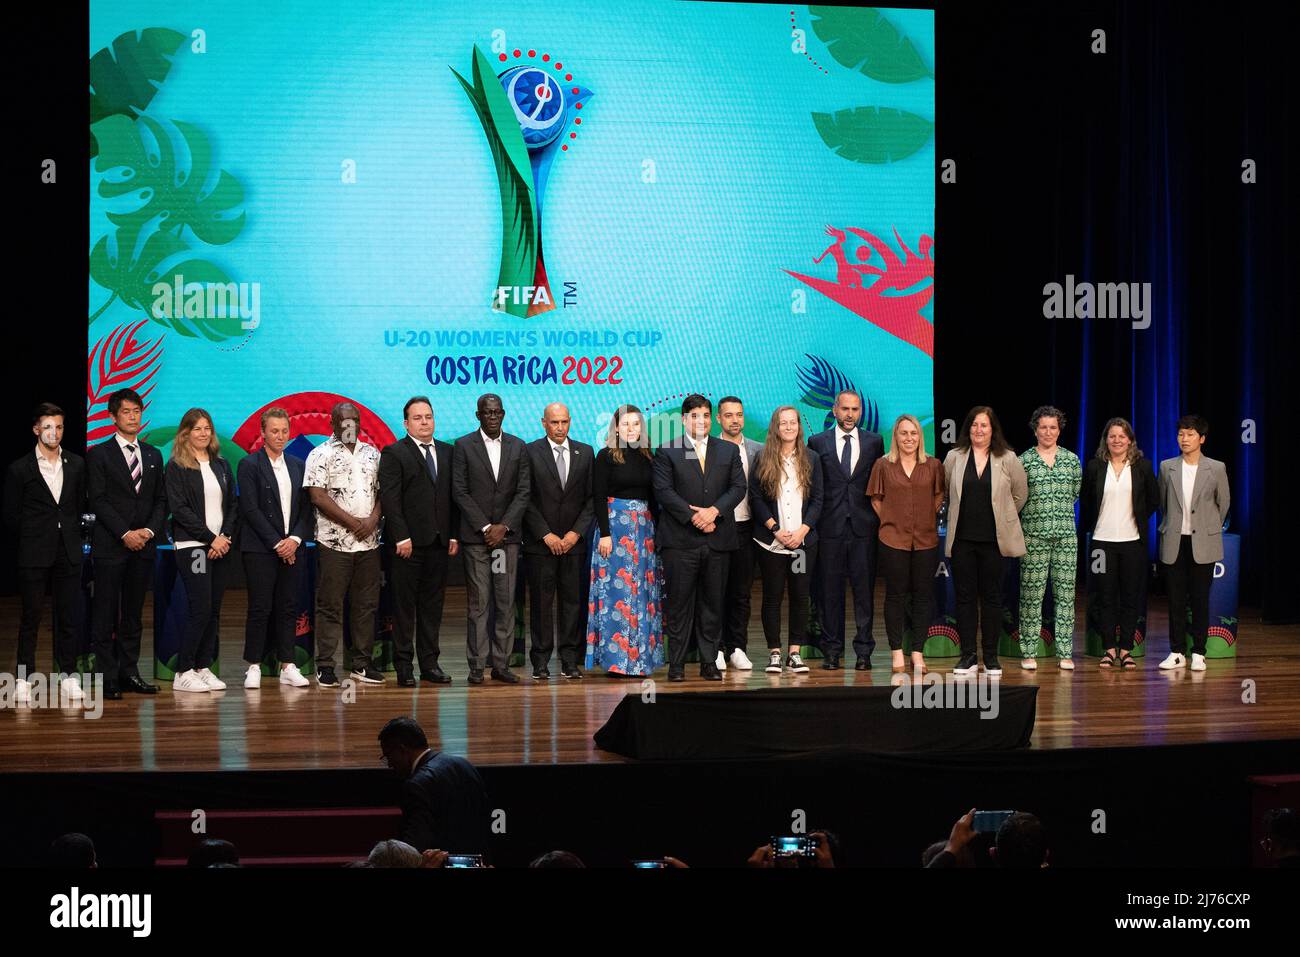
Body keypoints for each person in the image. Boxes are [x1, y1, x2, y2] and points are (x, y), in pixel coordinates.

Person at [652, 394, 747, 682]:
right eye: (695, 416)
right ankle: (677, 664)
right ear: (684, 419)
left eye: (706, 415)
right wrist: (695, 517)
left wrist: (714, 512)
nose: (701, 421)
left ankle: (709, 662)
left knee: (713, 604)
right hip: (680, 541)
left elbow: (738, 487)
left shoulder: (727, 451)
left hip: (718, 540)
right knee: (679, 605)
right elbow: (664, 492)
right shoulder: (667, 452)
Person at [86, 388, 166, 699]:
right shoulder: (99, 454)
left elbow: (160, 500)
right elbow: (99, 500)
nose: (133, 417)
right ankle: (107, 677)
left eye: (137, 411)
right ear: (113, 416)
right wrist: (125, 533)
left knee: (133, 615)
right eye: (126, 412)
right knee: (105, 613)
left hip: (143, 546)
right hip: (111, 546)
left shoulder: (153, 454)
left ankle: (129, 671)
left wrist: (146, 531)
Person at [4, 403, 86, 703]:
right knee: (31, 617)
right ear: (37, 429)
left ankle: (67, 676)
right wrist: (37, 534)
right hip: (34, 553)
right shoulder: (19, 468)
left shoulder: (76, 463)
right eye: (48, 427)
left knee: (67, 617)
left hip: (68, 551)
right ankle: (24, 678)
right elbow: (11, 515)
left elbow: (77, 505)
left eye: (60, 427)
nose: (55, 433)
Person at [942, 406, 1028, 676]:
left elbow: (1019, 494)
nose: (979, 430)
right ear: (968, 428)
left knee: (992, 599)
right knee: (965, 599)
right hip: (962, 541)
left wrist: (1003, 514)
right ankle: (968, 656)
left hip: (994, 542)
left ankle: (990, 657)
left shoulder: (1009, 458)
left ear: (993, 430)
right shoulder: (954, 457)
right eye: (974, 425)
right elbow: (945, 492)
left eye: (984, 426)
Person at [304, 401, 384, 688]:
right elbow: (317, 496)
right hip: (334, 544)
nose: (350, 425)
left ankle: (361, 664)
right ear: (333, 424)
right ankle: (325, 665)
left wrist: (373, 520)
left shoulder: (372, 454)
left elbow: (381, 493)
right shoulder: (319, 454)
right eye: (344, 421)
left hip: (369, 544)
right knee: (330, 606)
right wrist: (354, 523)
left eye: (354, 420)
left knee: (365, 606)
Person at [452, 394, 531, 685]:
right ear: (478, 415)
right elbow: (459, 491)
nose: (493, 416)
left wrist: (504, 526)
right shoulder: (463, 446)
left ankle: (501, 664)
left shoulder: (518, 446)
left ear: (504, 413)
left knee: (506, 602)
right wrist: (486, 527)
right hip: (477, 540)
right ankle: (476, 666)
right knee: (479, 603)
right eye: (487, 412)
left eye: (497, 411)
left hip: (506, 541)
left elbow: (524, 491)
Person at [379, 397, 458, 687]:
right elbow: (390, 499)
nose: (424, 422)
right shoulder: (394, 453)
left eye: (428, 416)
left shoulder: (449, 452)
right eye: (417, 418)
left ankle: (430, 664)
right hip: (407, 545)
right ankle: (403, 666)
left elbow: (453, 498)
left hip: (439, 543)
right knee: (404, 608)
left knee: (432, 608)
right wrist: (401, 536)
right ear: (406, 423)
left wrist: (452, 534)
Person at [807, 390, 884, 670]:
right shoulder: (816, 442)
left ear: (860, 412)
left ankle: (864, 652)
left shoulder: (875, 442)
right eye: (845, 409)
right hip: (829, 528)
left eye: (855, 409)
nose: (850, 414)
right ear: (835, 410)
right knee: (830, 594)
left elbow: (879, 484)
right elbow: (813, 486)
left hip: (864, 529)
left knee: (864, 594)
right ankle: (832, 651)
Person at [236, 407, 313, 690]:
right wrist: (277, 542)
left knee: (288, 606)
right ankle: (253, 665)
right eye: (274, 431)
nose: (280, 436)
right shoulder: (249, 465)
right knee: (260, 607)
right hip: (260, 548)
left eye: (284, 431)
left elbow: (306, 509)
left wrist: (294, 539)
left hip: (293, 547)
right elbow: (250, 509)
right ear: (263, 433)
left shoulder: (297, 464)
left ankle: (287, 664)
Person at [587, 404, 664, 677]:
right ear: (616, 428)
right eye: (626, 424)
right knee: (615, 595)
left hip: (644, 534)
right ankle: (616, 661)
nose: (631, 429)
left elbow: (654, 500)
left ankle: (641, 660)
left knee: (642, 594)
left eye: (636, 424)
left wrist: (659, 535)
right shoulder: (606, 456)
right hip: (615, 532)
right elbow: (597, 497)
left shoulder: (649, 457)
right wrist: (605, 534)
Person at [165, 408, 239, 693]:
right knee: (200, 607)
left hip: (221, 546)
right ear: (185, 433)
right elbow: (180, 510)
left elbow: (232, 504)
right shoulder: (177, 467)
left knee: (214, 609)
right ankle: (183, 671)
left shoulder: (221, 465)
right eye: (197, 428)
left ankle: (202, 666)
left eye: (207, 428)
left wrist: (225, 537)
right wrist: (210, 539)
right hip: (194, 547)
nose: (203, 433)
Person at [866, 413, 944, 674]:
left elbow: (938, 497)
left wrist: (922, 519)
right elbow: (876, 499)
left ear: (920, 437)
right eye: (904, 433)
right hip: (893, 539)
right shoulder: (883, 465)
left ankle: (918, 653)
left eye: (913, 433)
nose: (909, 438)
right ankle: (897, 652)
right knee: (895, 596)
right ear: (895, 437)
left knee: (923, 597)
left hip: (925, 540)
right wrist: (893, 518)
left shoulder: (933, 465)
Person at [749, 406, 823, 675]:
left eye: (793, 422)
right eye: (784, 423)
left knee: (800, 597)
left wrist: (803, 530)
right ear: (775, 427)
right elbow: (755, 498)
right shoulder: (761, 459)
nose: (789, 427)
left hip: (802, 546)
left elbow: (818, 500)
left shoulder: (812, 458)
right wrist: (775, 529)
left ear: (799, 427)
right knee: (772, 597)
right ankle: (775, 654)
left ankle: (795, 653)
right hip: (772, 544)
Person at [523, 402, 594, 680]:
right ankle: (540, 661)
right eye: (554, 422)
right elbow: (524, 497)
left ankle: (569, 660)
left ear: (570, 421)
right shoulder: (529, 452)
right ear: (544, 423)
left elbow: (591, 499)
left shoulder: (586, 452)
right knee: (541, 604)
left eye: (564, 422)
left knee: (572, 603)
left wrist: (575, 533)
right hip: (541, 545)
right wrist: (546, 534)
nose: (560, 427)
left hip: (574, 543)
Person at [1080, 418, 1158, 669]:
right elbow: (1087, 501)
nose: (1116, 440)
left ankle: (1125, 649)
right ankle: (1108, 649)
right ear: (1106, 440)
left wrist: (1136, 519)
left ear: (1130, 441)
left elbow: (1154, 500)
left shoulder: (1143, 467)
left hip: (1132, 543)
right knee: (1104, 597)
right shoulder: (1094, 467)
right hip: (1102, 543)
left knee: (1130, 597)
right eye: (1112, 436)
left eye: (1121, 436)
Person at [1157, 414, 1230, 672]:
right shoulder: (1167, 466)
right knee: (1175, 599)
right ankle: (1176, 651)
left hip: (1203, 543)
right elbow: (1163, 503)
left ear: (1202, 438)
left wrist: (1208, 529)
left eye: (1189, 434)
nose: (1184, 439)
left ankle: (1199, 651)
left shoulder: (1216, 467)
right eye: (1180, 434)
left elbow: (1224, 503)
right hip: (1175, 541)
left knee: (1200, 599)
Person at [1016, 406, 1082, 670]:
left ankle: (1065, 652)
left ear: (1059, 429)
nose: (1048, 432)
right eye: (1043, 427)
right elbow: (1018, 496)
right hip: (1033, 537)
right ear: (1035, 430)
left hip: (1066, 537)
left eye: (1053, 427)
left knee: (1066, 596)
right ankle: (1028, 652)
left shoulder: (1071, 460)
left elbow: (1075, 493)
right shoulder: (1024, 461)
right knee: (1032, 595)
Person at [379, 716, 491, 856]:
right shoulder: (464, 764)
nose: (389, 764)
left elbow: (415, 845)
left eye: (388, 756)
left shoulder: (416, 785)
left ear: (402, 750)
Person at [715, 396, 762, 671]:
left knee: (741, 593)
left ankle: (737, 648)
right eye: (729, 415)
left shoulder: (758, 450)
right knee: (716, 591)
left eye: (739, 415)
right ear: (719, 419)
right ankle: (717, 648)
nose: (735, 420)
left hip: (748, 528)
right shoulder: (709, 449)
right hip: (718, 529)